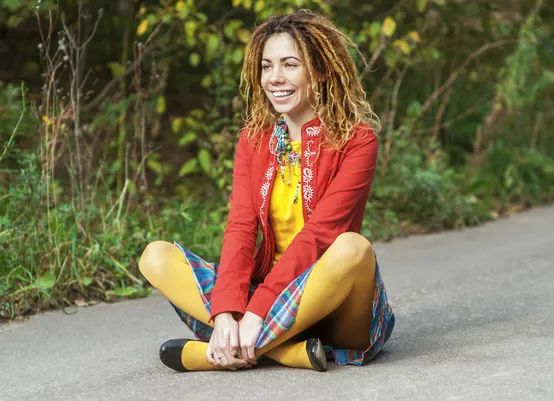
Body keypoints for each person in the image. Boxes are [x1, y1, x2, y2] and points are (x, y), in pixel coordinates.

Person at [138, 10, 395, 372]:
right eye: (266, 66)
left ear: (318, 71)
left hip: (333, 304)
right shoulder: (254, 140)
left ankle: (222, 353)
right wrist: (228, 311)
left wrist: (257, 312)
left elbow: (322, 234)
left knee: (354, 248)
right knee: (155, 256)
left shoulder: (356, 141)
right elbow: (241, 227)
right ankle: (282, 350)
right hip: (265, 301)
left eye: (290, 65)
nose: (275, 78)